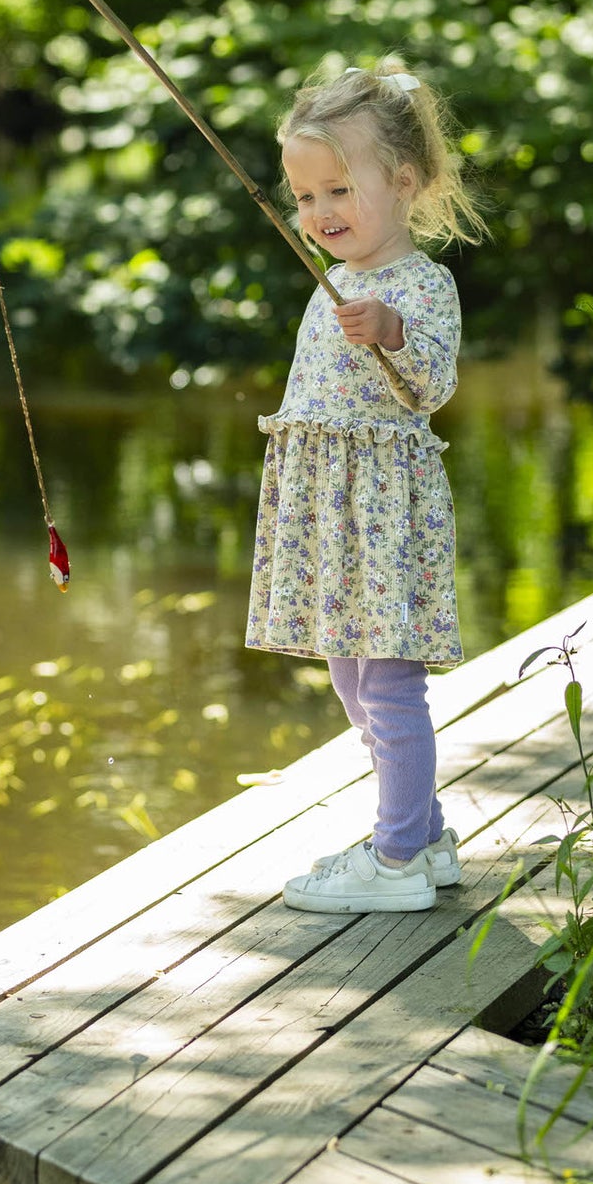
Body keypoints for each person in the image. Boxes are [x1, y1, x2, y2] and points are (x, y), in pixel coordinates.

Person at [245, 56, 489, 913]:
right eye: (305, 198)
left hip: (383, 512)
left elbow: (431, 384)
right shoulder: (336, 281)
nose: (318, 213)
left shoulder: (421, 285)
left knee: (388, 685)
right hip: (334, 510)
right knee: (351, 682)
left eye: (338, 192)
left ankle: (393, 863)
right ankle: (421, 836)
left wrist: (389, 332)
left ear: (404, 182)